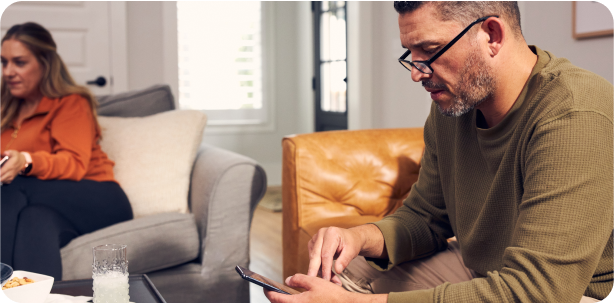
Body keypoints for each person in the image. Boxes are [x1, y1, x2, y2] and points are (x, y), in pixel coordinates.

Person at [266, 1, 613, 303]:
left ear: (491, 35)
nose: (417, 74)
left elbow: (537, 292)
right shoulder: (455, 105)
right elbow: (425, 217)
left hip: (572, 292)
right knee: (346, 273)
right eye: (410, 54)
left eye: (430, 50)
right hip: (486, 268)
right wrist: (357, 236)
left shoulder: (575, 114)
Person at [0, 22, 133, 280]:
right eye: (4, 62)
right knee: (36, 221)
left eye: (19, 62)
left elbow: (73, 164)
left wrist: (24, 161)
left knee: (12, 186)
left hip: (99, 197)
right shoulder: (6, 111)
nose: (8, 71)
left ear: (45, 63)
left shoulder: (71, 103)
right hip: (44, 206)